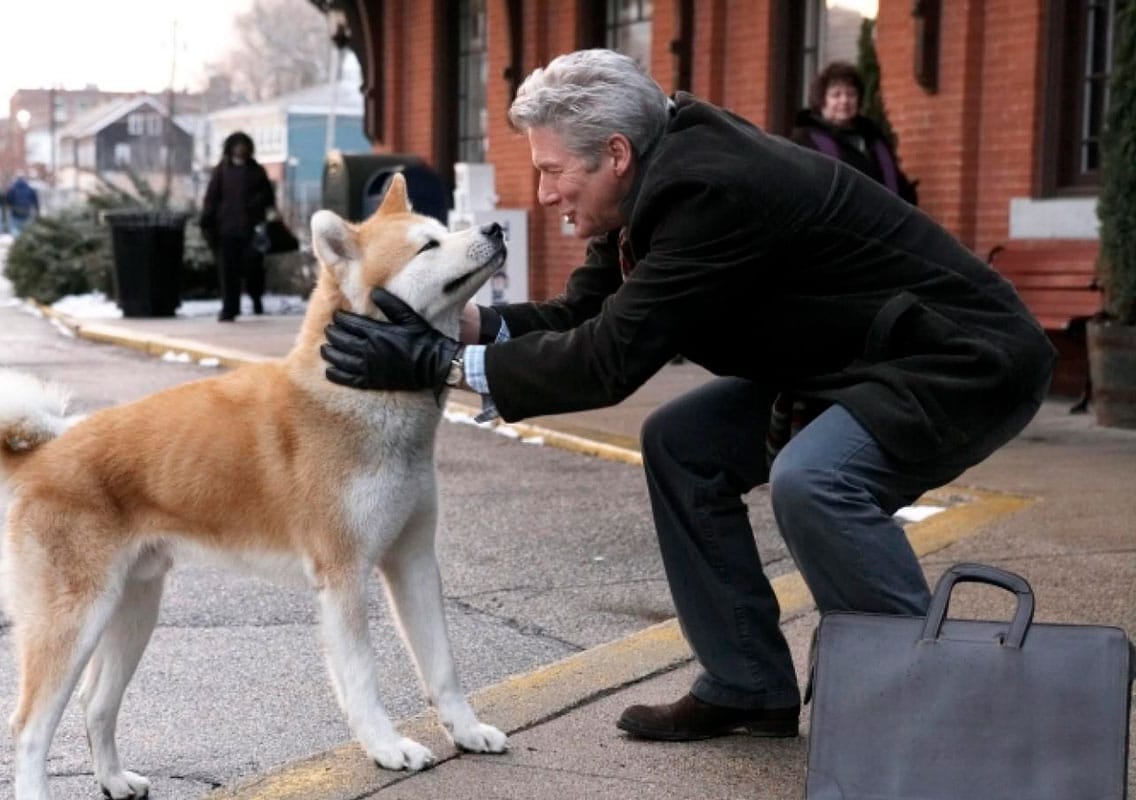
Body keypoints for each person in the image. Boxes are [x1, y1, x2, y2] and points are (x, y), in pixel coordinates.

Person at [320, 50, 1054, 742]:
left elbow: (608, 361)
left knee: (816, 481)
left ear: (614, 154)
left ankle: (947, 703)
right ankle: (747, 683)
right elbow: (585, 316)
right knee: (682, 444)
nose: (544, 196)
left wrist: (437, 363)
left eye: (551, 172)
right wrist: (460, 323)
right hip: (857, 360)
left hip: (958, 358)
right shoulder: (649, 178)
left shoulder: (711, 192)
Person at [791, 61, 917, 205]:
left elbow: (895, 182)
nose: (844, 101)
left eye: (851, 94)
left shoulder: (874, 138)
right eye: (836, 95)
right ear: (822, 101)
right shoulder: (805, 141)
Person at [199, 131, 275, 321]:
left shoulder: (257, 171)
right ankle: (229, 308)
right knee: (228, 271)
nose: (240, 149)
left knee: (253, 269)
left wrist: (255, 206)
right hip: (226, 230)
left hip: (251, 230)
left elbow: (268, 197)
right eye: (236, 145)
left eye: (243, 145)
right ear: (230, 148)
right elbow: (211, 198)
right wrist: (207, 220)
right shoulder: (221, 171)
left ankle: (256, 298)